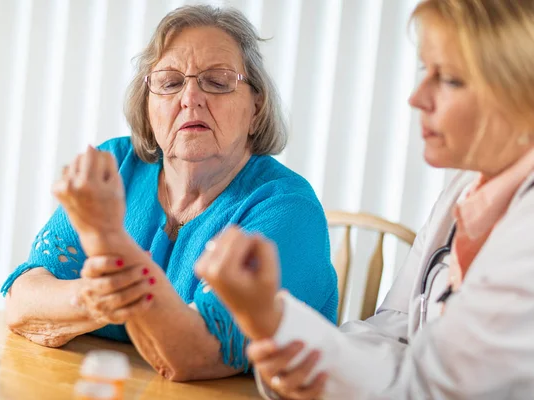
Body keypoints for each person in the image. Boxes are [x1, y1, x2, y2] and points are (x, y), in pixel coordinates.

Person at [196, 0, 534, 398]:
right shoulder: (465, 191)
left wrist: (271, 319)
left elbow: (433, 388)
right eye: (427, 70)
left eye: (451, 80)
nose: (416, 97)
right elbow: (395, 329)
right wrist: (295, 358)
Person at [1, 5, 338, 383]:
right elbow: (23, 301)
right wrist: (94, 298)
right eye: (170, 82)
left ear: (256, 106)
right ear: (148, 104)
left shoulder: (286, 208)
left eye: (218, 80)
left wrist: (110, 258)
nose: (190, 97)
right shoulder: (117, 165)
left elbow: (198, 355)